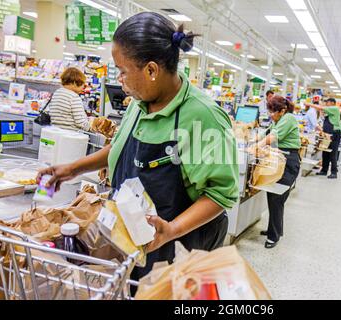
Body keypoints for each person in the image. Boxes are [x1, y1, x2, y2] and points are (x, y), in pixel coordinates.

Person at [37, 12, 239, 281]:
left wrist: (172, 229)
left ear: (152, 70)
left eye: (122, 71)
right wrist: (72, 169)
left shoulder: (203, 117)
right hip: (135, 235)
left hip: (180, 246)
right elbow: (123, 148)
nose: (120, 80)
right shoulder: (139, 104)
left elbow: (221, 194)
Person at [256, 95, 301, 248]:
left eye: (273, 111)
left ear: (282, 110)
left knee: (277, 198)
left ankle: (273, 236)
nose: (270, 114)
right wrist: (252, 142)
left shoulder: (289, 118)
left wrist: (257, 146)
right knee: (273, 196)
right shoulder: (279, 120)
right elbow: (266, 134)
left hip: (288, 162)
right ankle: (273, 229)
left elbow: (273, 137)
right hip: (278, 160)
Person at [306, 98, 341, 179]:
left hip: (334, 134)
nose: (326, 104)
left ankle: (334, 172)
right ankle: (324, 170)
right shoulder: (329, 111)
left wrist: (309, 104)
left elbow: (321, 108)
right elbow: (322, 113)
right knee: (325, 152)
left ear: (332, 103)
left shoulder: (335, 108)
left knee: (333, 153)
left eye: (328, 102)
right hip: (327, 134)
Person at [49, 67, 90, 131]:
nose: (83, 87)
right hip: (71, 136)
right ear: (74, 83)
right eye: (82, 84)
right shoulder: (74, 97)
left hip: (56, 134)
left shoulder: (57, 93)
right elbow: (81, 123)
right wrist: (93, 126)